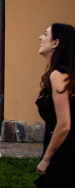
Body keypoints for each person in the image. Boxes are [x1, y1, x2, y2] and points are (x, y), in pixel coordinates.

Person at [35, 23, 75, 187]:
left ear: (56, 43)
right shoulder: (64, 73)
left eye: (45, 34)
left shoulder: (59, 75)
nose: (40, 37)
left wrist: (46, 159)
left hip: (65, 159)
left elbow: (64, 124)